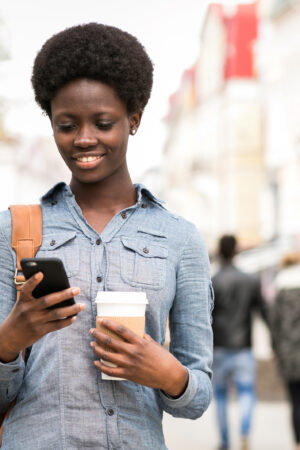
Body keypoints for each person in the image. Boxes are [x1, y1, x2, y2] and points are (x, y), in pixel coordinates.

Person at [0, 23, 213, 449]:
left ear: (133, 120)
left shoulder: (180, 239)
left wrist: (165, 372)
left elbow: (196, 397)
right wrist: (10, 341)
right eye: (66, 125)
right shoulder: (14, 232)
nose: (84, 139)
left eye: (102, 122)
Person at [212, 235, 267, 450]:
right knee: (246, 392)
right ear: (236, 251)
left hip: (219, 347)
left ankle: (225, 441)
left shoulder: (213, 281)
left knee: (221, 396)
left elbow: (206, 318)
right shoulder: (251, 280)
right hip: (244, 346)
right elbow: (263, 312)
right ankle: (244, 431)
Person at [271, 252, 300, 450]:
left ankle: (298, 443)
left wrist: (277, 350)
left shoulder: (280, 289)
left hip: (289, 354)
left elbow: (274, 325)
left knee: (296, 401)